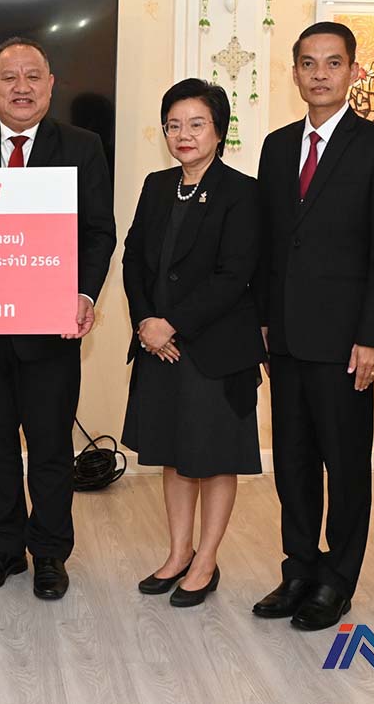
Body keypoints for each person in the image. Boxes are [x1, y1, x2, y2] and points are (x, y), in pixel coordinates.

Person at [0, 36, 116, 600]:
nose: (22, 87)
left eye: (32, 76)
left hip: (50, 332)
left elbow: (99, 231)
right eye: (9, 78)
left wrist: (85, 295)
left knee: (50, 450)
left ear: (51, 85)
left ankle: (50, 554)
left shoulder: (83, 146)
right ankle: (3, 549)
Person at [253, 22, 374, 631]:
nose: (320, 74)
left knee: (345, 466)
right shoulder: (275, 146)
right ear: (294, 71)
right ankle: (299, 569)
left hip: (347, 341)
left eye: (333, 63)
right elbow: (269, 245)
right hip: (286, 337)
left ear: (353, 71)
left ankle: (337, 580)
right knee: (292, 461)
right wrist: (263, 320)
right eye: (308, 63)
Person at [122, 79, 264, 607]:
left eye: (196, 124)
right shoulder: (157, 185)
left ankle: (206, 560)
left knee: (214, 456)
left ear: (219, 130)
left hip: (214, 349)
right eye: (174, 125)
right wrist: (145, 322)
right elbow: (133, 258)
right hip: (158, 347)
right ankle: (178, 552)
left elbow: (234, 275)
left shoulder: (241, 191)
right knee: (174, 452)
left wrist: (172, 325)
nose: (184, 134)